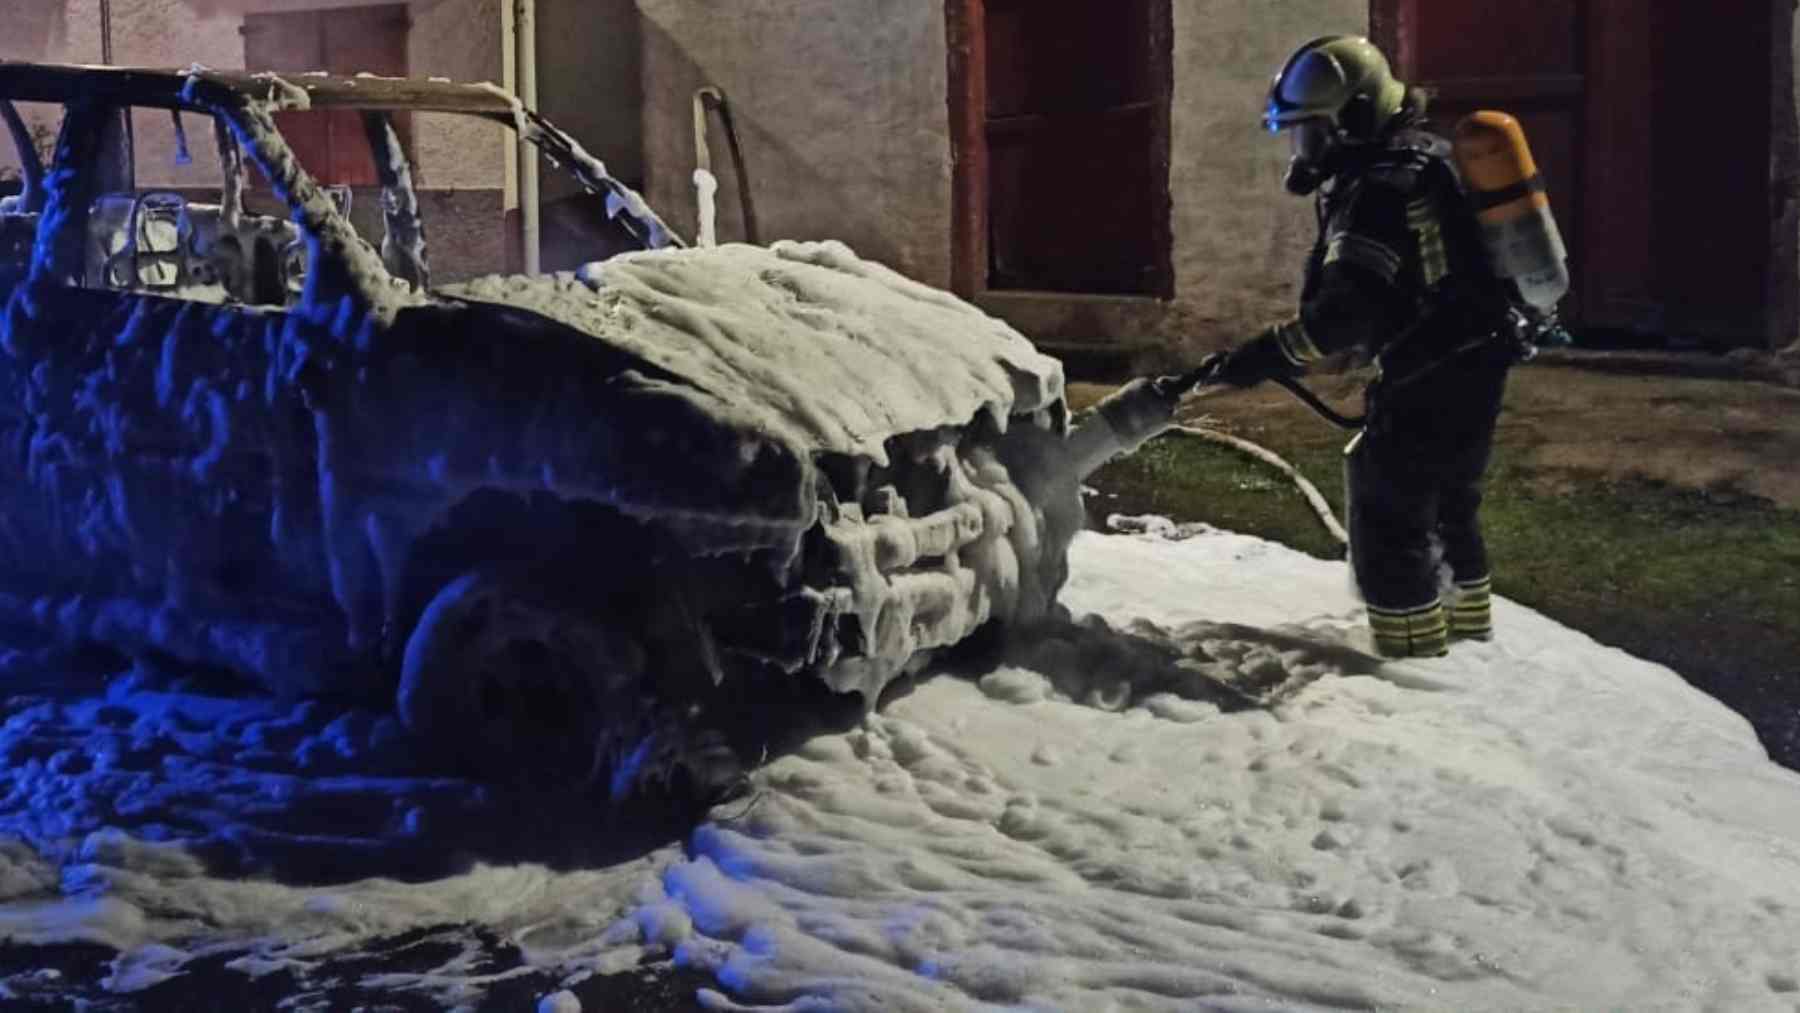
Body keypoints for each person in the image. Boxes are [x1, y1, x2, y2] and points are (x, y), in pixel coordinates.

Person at [1193, 35, 1517, 659]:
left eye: (1310, 133)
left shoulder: (1378, 191)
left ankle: (1411, 660)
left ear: (1354, 118)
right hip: (1479, 354)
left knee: (1388, 504)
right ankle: (1470, 638)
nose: (1303, 151)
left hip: (1433, 366)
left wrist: (1260, 358)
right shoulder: (1430, 156)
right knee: (1450, 499)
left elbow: (1341, 318)